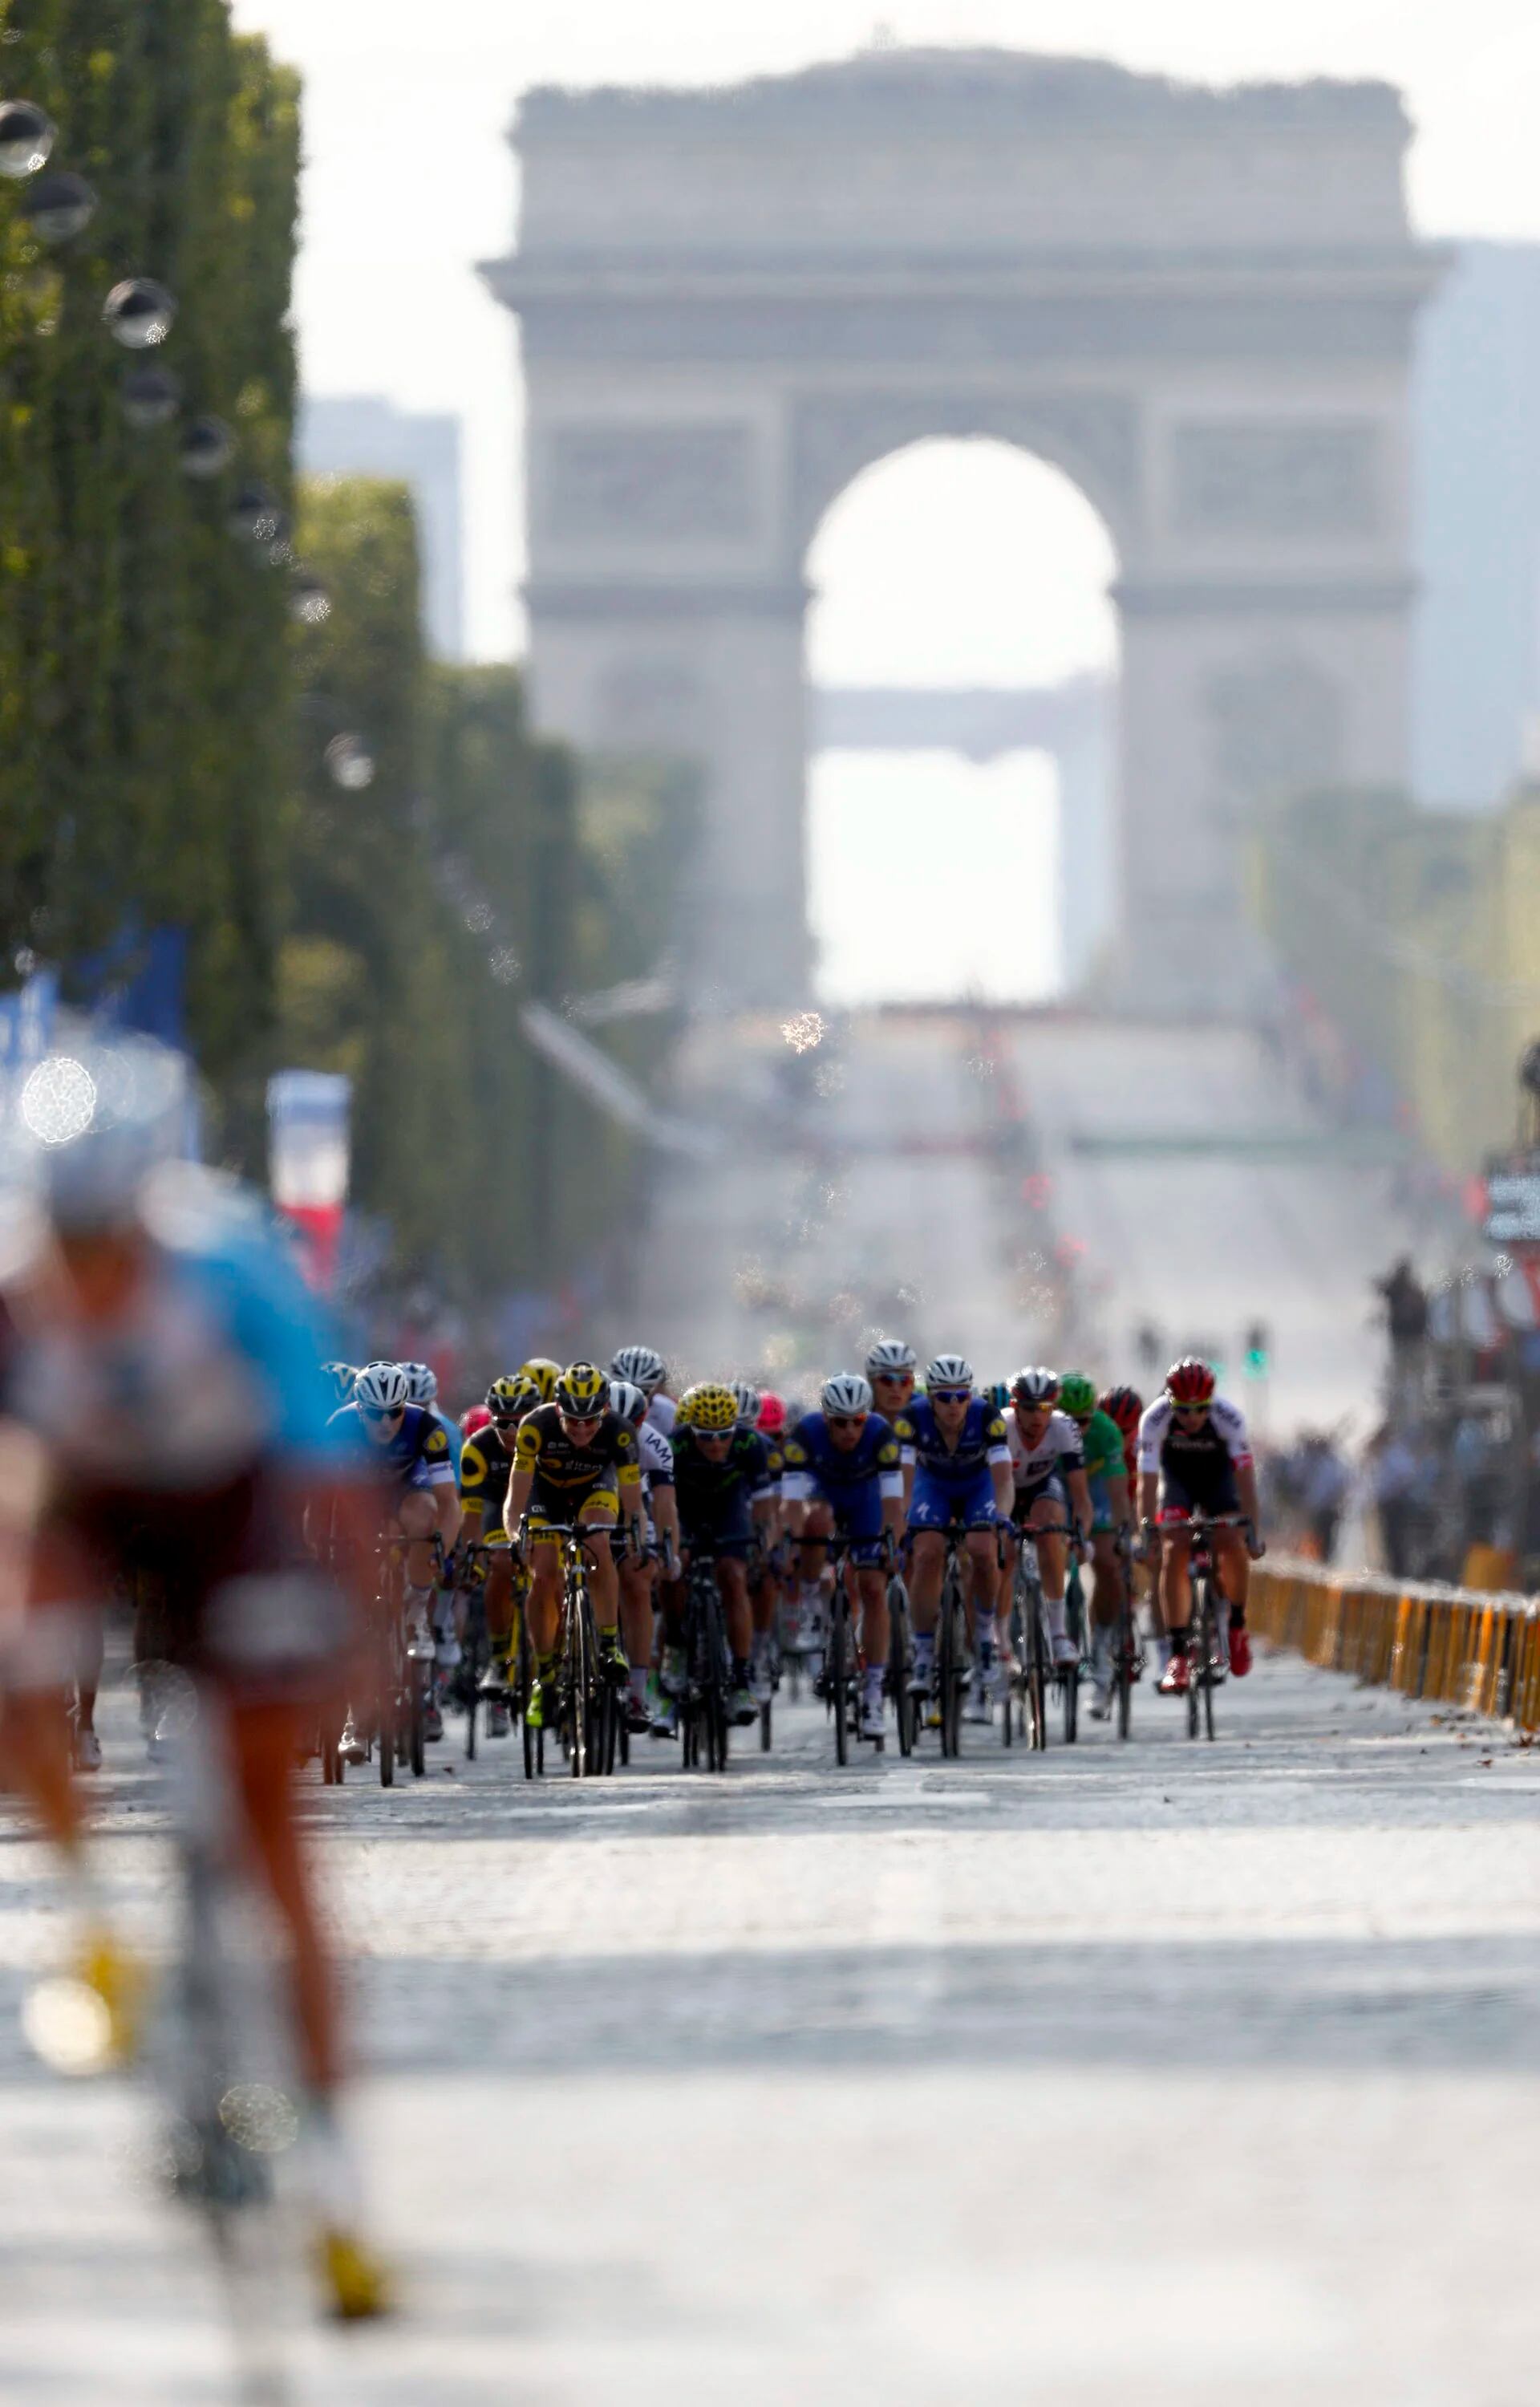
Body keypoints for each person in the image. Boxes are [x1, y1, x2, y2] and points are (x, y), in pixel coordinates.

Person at [0, 1057, 391, 2316]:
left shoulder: (232, 1275)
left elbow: (331, 1484)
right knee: (19, 1657)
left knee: (279, 1829)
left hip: (234, 1512)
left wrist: (365, 1643)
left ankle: (338, 2190)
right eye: (69, 1243)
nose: (91, 1270)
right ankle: (95, 1926)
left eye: (107, 1241)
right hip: (91, 1500)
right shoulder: (15, 1294)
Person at [330, 1361, 461, 1760]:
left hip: (409, 1486)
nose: (386, 1422)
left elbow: (449, 1505)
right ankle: (354, 1720)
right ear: (360, 1408)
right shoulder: (340, 1426)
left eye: (395, 1411)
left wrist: (441, 1553)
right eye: (375, 1413)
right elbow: (320, 1505)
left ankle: (416, 1611)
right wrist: (325, 1553)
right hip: (362, 1494)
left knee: (424, 1515)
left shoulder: (426, 1427)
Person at [505, 1360, 645, 1729]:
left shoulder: (620, 1432)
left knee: (597, 1538)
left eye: (590, 1421)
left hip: (594, 1489)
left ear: (605, 1412)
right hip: (545, 1493)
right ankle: (546, 1670)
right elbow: (515, 1498)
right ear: (557, 1411)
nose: (582, 1429)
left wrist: (636, 1536)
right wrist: (515, 1535)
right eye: (572, 1421)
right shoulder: (534, 1426)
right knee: (544, 1572)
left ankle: (609, 1644)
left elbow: (634, 1506)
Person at [779, 1373, 904, 1739]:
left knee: (873, 1588)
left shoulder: (882, 1435)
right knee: (815, 1520)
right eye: (840, 1422)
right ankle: (813, 1605)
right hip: (824, 1495)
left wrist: (892, 1543)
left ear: (867, 1417)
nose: (850, 1431)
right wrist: (790, 1544)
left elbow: (894, 1503)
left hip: (866, 1500)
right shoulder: (806, 1434)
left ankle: (874, 1692)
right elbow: (792, 1503)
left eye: (857, 1421)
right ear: (826, 1418)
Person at [894, 1355, 1015, 1715]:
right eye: (945, 1398)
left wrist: (1003, 1516)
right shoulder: (911, 1419)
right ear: (930, 1397)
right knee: (927, 1552)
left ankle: (983, 1637)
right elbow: (903, 1477)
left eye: (961, 1396)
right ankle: (923, 1652)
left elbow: (1004, 1478)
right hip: (933, 1487)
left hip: (977, 1486)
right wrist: (902, 1519)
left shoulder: (987, 1418)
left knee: (981, 1548)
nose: (954, 1405)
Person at [1137, 1358, 1265, 1695]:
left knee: (1231, 1540)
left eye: (1199, 1409)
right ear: (1170, 1402)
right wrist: (1147, 1530)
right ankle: (1178, 1654)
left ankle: (1236, 1625)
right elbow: (1147, 1483)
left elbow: (1246, 1479)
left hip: (1217, 1481)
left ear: (1211, 1402)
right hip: (1177, 1481)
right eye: (1183, 1410)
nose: (1191, 1417)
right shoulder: (1153, 1419)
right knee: (1174, 1547)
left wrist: (1253, 1529)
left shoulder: (1230, 1418)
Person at [665, 1383, 779, 1727]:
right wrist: (670, 1545)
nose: (716, 1444)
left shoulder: (751, 1444)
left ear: (736, 1430)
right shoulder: (675, 1445)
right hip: (683, 1507)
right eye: (706, 1436)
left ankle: (742, 1679)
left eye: (724, 1436)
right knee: (675, 1566)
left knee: (734, 1574)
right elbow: (661, 1500)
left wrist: (763, 1546)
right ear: (691, 1431)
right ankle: (677, 1645)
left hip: (729, 1509)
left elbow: (764, 1508)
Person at [458, 1370, 541, 1737]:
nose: (511, 1432)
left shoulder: (548, 1439)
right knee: (500, 1564)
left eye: (519, 1422)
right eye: (502, 1423)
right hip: (495, 1507)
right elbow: (472, 1514)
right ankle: (497, 1658)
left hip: (540, 1506)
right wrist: (475, 1554)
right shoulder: (477, 1448)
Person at [1001, 1368, 1092, 1675]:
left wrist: (1081, 1535)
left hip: (1041, 1485)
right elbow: (993, 1486)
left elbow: (1080, 1494)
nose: (1037, 1416)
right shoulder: (1001, 1426)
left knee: (1052, 1530)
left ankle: (1058, 1634)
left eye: (1045, 1408)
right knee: (1003, 1553)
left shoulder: (1064, 1427)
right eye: (1029, 1408)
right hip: (1004, 1488)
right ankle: (999, 1643)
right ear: (1015, 1407)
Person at [1056, 1373, 1132, 1715]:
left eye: (1082, 1421)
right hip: (1058, 1492)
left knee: (1106, 1562)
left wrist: (1124, 1533)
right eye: (1067, 1420)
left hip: (1096, 1495)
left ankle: (1100, 1644)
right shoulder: (1045, 1429)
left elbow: (1118, 1493)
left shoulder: (1105, 1432)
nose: (1075, 1428)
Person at [609, 1377, 679, 1732]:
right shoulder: (585, 1434)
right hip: (592, 1507)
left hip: (638, 1512)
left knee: (638, 1581)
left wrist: (669, 1550)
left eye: (630, 1425)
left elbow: (665, 1506)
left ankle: (637, 1693)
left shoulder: (654, 1444)